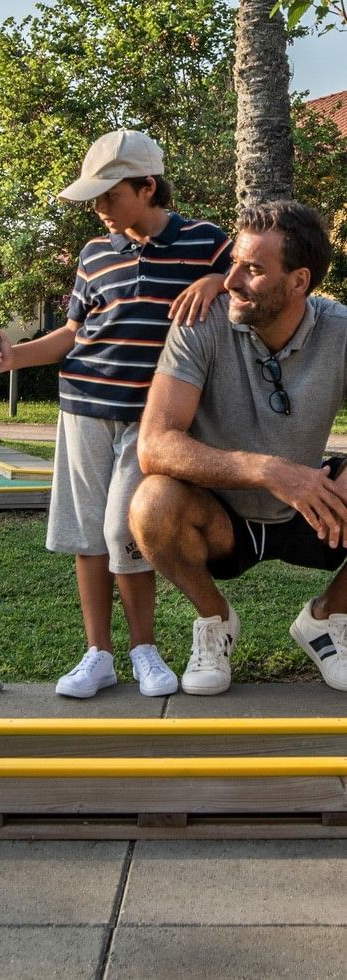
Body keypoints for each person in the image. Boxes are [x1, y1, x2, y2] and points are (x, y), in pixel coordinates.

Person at [0, 129, 232, 698]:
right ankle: (99, 654)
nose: (99, 208)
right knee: (86, 535)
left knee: (125, 530)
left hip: (153, 421)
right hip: (82, 410)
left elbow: (249, 279)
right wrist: (14, 356)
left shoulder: (206, 242)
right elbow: (72, 333)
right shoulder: (94, 255)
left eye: (109, 195)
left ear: (147, 187)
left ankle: (145, 649)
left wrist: (218, 279)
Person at [130, 199, 347, 695]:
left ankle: (327, 620)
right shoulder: (201, 322)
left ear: (298, 282)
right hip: (218, 519)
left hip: (307, 513)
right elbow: (155, 445)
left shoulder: (339, 330)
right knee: (152, 503)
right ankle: (215, 620)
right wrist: (268, 470)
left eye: (252, 269)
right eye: (233, 263)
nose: (230, 280)